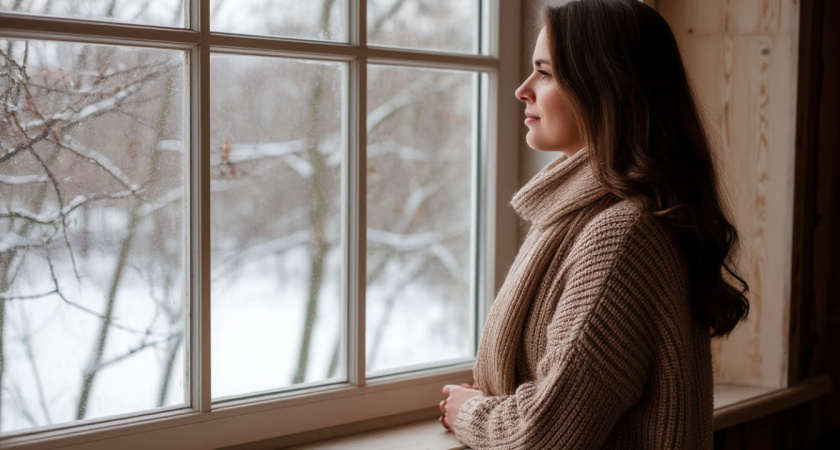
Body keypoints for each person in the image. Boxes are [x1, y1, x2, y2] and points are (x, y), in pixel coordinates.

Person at [438, 0, 750, 448]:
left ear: (606, 86)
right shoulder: (576, 215)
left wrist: (470, 410)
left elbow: (545, 434)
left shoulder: (623, 234)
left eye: (545, 73)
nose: (522, 89)